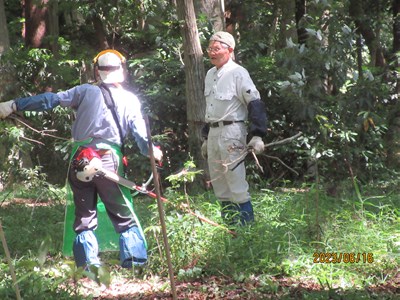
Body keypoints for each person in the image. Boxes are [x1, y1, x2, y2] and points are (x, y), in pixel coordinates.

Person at [0, 49, 163, 270]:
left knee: (85, 214)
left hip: (80, 159)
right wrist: (152, 151)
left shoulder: (85, 91)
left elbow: (51, 100)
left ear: (98, 71)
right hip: (107, 160)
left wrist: (14, 105)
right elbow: (142, 137)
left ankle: (88, 265)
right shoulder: (130, 99)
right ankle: (134, 262)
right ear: (121, 70)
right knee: (121, 211)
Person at [201, 31, 267, 226]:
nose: (212, 52)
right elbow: (211, 107)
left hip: (232, 132)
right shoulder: (210, 74)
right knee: (220, 185)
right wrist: (206, 138)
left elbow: (254, 102)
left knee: (236, 183)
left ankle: (247, 231)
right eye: (209, 48)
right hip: (213, 133)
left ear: (229, 50)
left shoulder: (238, 73)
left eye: (216, 48)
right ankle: (230, 231)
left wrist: (257, 135)